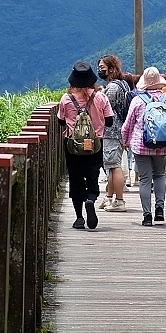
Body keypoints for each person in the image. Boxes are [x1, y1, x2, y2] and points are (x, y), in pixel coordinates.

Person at [121, 66, 166, 226]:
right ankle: (159, 210)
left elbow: (127, 126)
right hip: (163, 146)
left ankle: (147, 216)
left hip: (141, 146)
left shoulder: (137, 100)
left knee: (145, 179)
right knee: (160, 175)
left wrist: (125, 142)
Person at [57, 61, 114, 230]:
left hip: (72, 146)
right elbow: (110, 122)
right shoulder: (100, 97)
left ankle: (79, 218)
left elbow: (61, 122)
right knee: (92, 175)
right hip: (95, 144)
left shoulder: (66, 99)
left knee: (75, 179)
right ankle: (90, 198)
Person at [96, 55, 130, 212]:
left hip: (112, 131)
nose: (100, 71)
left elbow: (104, 109)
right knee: (111, 165)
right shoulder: (123, 85)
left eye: (102, 68)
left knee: (114, 166)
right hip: (121, 130)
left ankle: (119, 201)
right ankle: (109, 198)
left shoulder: (112, 88)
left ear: (111, 68)